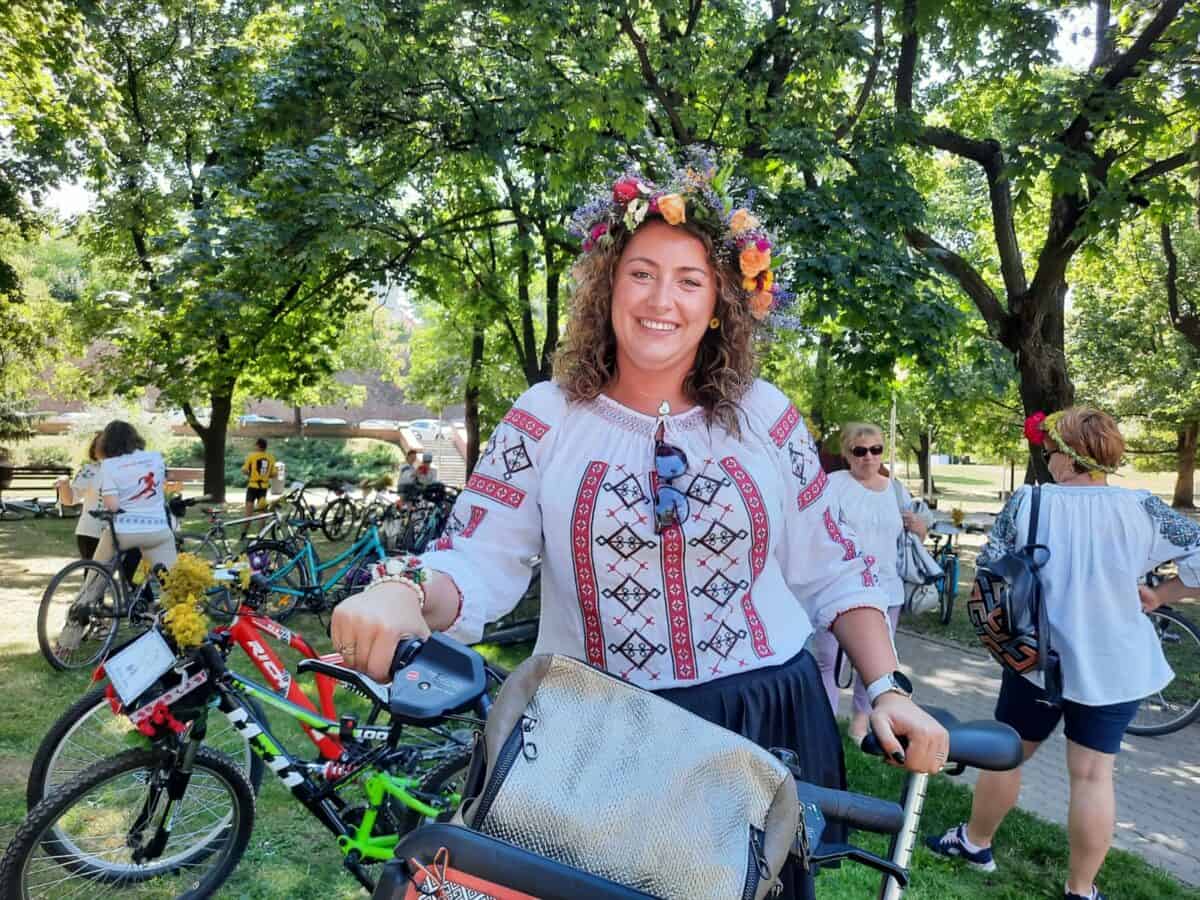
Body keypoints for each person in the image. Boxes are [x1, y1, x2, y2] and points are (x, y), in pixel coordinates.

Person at [332, 154, 948, 900]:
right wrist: (403, 589)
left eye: (690, 280)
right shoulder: (544, 417)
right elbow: (479, 559)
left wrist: (887, 686)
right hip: (599, 731)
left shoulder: (766, 415)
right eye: (642, 274)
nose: (662, 300)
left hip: (761, 716)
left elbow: (832, 568)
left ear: (719, 302)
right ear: (608, 288)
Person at [927, 407, 1200, 900]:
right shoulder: (1142, 506)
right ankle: (1081, 889)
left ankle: (976, 843)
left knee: (1007, 754)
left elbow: (990, 569)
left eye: (1050, 450)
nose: (1046, 458)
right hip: (1116, 667)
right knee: (1094, 776)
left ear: (1070, 457)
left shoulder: (1029, 502)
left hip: (1036, 660)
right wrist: (1163, 594)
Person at [812, 422, 930, 744]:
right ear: (847, 453)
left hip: (886, 590)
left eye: (876, 450)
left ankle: (860, 725)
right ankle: (824, 723)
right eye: (860, 451)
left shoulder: (895, 490)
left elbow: (918, 536)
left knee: (876, 666)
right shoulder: (833, 485)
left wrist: (918, 527)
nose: (869, 457)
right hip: (837, 587)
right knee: (828, 659)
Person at [93, 420, 175, 571]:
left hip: (124, 531)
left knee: (96, 575)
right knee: (171, 580)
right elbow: (161, 487)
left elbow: (112, 506)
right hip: (158, 529)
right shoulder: (156, 457)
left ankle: (94, 585)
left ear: (106, 443)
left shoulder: (109, 465)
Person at [60, 431, 105, 560]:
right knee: (94, 572)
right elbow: (69, 500)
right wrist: (64, 484)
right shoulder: (90, 470)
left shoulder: (129, 470)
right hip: (92, 533)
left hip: (124, 534)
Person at [241, 438, 277, 519]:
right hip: (263, 488)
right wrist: (266, 476)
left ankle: (245, 527)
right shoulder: (271, 457)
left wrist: (250, 475)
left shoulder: (252, 456)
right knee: (262, 512)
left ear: (258, 446)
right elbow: (274, 474)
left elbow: (244, 470)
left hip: (252, 486)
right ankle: (262, 527)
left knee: (248, 511)